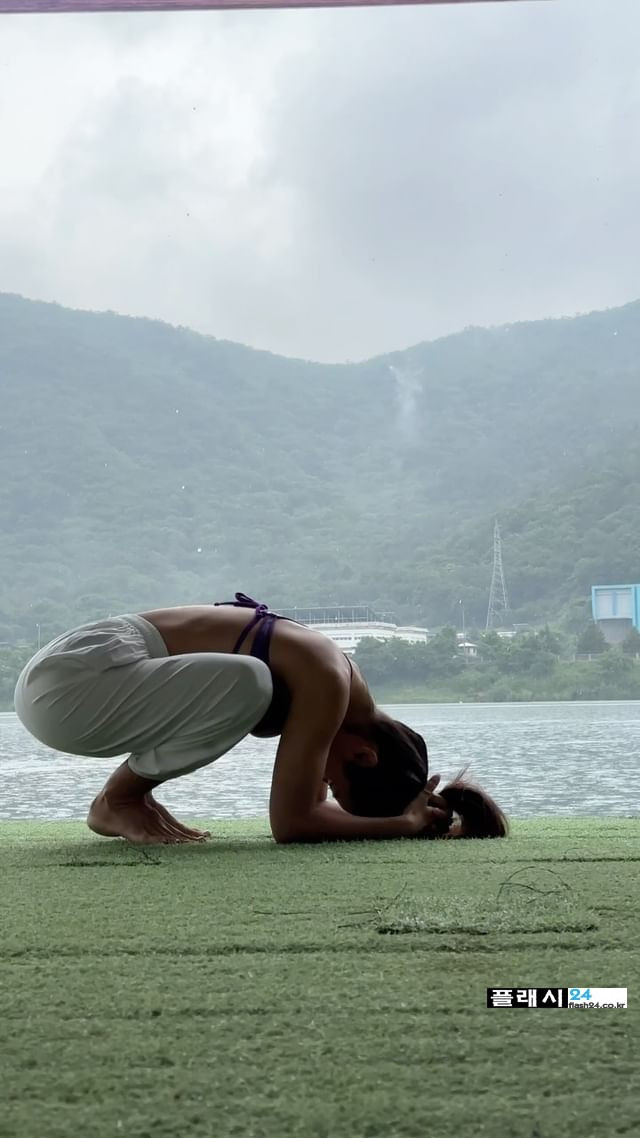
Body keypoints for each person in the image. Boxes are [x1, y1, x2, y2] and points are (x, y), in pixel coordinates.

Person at [14, 592, 508, 846]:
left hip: (74, 687)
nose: (323, 780)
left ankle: (119, 797)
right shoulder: (328, 679)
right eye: (337, 781)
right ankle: (116, 799)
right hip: (73, 686)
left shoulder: (342, 685)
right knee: (250, 683)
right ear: (363, 753)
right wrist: (402, 825)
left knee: (250, 682)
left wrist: (413, 817)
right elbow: (293, 823)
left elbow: (308, 813)